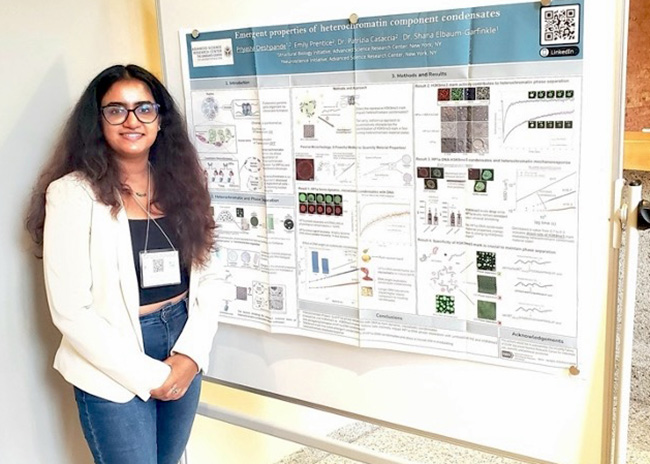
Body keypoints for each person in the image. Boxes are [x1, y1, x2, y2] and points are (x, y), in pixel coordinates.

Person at [25, 64, 230, 464]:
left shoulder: (187, 182)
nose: (132, 120)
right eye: (116, 110)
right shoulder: (72, 194)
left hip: (182, 335)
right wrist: (152, 377)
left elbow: (213, 273)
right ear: (97, 122)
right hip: (111, 357)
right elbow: (70, 310)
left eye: (144, 109)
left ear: (159, 119)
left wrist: (190, 355)